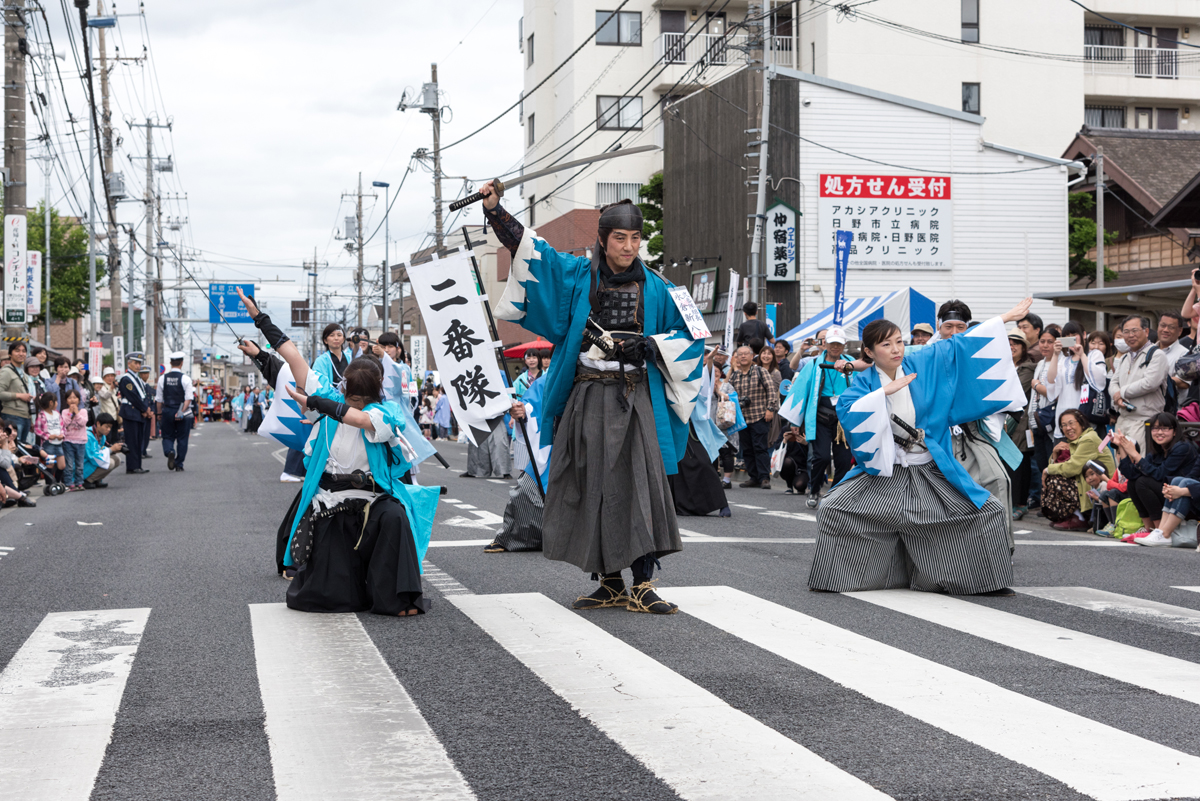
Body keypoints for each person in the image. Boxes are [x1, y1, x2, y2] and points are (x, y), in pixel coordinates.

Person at [484, 184, 704, 615]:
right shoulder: (576, 276)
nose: (629, 246)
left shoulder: (662, 287)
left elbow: (694, 336)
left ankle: (643, 581)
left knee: (642, 485)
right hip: (587, 393)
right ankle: (609, 582)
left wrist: (651, 346)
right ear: (603, 239)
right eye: (620, 238)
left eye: (636, 238)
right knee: (592, 488)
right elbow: (533, 254)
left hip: (637, 396)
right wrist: (496, 212)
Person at [807, 298, 1032, 597]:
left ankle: (983, 580)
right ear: (870, 352)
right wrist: (882, 394)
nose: (896, 349)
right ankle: (842, 578)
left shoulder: (921, 362)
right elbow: (848, 412)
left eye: (899, 342)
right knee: (833, 507)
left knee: (986, 509)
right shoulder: (863, 384)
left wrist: (1006, 317)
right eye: (886, 345)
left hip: (929, 465)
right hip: (885, 474)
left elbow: (956, 346)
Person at [237, 287, 439, 616]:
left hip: (373, 498)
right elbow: (293, 356)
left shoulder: (385, 414)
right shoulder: (330, 398)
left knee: (395, 518)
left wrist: (318, 403)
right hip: (330, 498)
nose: (351, 396)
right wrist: (260, 319)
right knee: (324, 597)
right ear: (343, 385)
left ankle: (398, 597)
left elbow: (359, 418)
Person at [782, 325, 854, 508]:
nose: (835, 347)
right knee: (820, 457)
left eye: (839, 344)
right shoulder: (813, 363)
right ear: (825, 344)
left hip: (843, 420)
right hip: (820, 417)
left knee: (844, 461)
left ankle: (835, 495)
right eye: (832, 343)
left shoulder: (851, 362)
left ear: (844, 344)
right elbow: (799, 392)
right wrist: (794, 421)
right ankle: (814, 489)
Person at [486, 378, 550, 554]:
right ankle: (513, 536)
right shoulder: (551, 377)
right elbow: (530, 405)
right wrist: (523, 410)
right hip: (553, 443)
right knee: (526, 491)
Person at [1112, 412, 1197, 538]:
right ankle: (1149, 528)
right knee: (1133, 482)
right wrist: (1123, 448)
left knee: (1143, 482)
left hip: (1185, 499)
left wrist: (1135, 454)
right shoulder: (1158, 450)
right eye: (1155, 428)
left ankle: (1160, 530)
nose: (1159, 432)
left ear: (1174, 431)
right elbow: (1132, 474)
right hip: (1167, 495)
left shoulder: (1183, 447)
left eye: (1164, 428)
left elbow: (1160, 475)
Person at [1040, 409, 1115, 531]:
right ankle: (1070, 515)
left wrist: (1047, 470)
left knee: (1056, 478)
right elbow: (1061, 465)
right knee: (1052, 476)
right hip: (1089, 485)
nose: (1068, 428)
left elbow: (1072, 468)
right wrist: (1054, 454)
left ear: (1081, 423)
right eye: (1064, 425)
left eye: (1071, 423)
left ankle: (1079, 518)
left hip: (1103, 489)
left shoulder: (1088, 438)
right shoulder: (1074, 442)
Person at [1110, 315, 1168, 454]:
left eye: (1135, 330)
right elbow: (1113, 382)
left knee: (1139, 463)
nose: (1130, 335)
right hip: (1122, 420)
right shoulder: (1125, 356)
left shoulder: (1156, 355)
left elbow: (1150, 383)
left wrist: (1122, 392)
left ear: (1146, 331)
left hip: (1144, 420)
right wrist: (1117, 398)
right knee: (1121, 467)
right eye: (1126, 331)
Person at [728, 344, 779, 490]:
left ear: (752, 356)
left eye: (746, 354)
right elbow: (727, 391)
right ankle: (753, 477)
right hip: (742, 418)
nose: (743, 356)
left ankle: (764, 478)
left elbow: (771, 391)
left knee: (760, 447)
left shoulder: (761, 371)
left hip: (759, 415)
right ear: (736, 358)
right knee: (747, 449)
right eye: (740, 354)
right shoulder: (735, 375)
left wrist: (770, 409)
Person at [1045, 321, 1107, 439]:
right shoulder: (1063, 360)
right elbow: (1051, 381)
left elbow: (1098, 380)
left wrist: (1082, 354)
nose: (1070, 338)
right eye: (1066, 336)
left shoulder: (1094, 354)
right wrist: (1055, 355)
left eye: (1073, 334)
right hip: (1063, 417)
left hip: (1083, 416)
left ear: (1083, 335)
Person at [1027, 324, 1061, 511]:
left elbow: (1054, 393)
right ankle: (1044, 500)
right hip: (1036, 421)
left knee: (1051, 461)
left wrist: (1037, 385)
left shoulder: (1060, 361)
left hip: (1050, 420)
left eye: (1050, 341)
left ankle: (1052, 503)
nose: (1045, 345)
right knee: (1040, 462)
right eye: (1042, 341)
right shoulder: (1040, 363)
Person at [1007, 330, 1037, 520]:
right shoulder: (1003, 365)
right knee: (1006, 462)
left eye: (1016, 343)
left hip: (1020, 422)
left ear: (1024, 347)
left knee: (1021, 462)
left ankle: (1020, 503)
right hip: (1003, 420)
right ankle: (1009, 501)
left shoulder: (1028, 368)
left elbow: (1014, 391)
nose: (1012, 346)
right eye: (1008, 343)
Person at [156, 351, 195, 472]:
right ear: (181, 363)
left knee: (167, 436)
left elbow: (158, 399)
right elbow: (188, 399)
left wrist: (159, 414)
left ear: (170, 363)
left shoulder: (162, 378)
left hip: (167, 410)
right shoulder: (186, 379)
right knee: (183, 439)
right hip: (183, 411)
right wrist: (181, 412)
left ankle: (170, 451)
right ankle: (179, 464)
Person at [118, 353, 151, 474]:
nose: (138, 366)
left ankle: (137, 465)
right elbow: (134, 397)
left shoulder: (137, 379)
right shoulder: (126, 379)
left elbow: (144, 396)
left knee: (138, 439)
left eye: (139, 363)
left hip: (137, 412)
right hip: (131, 412)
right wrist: (144, 409)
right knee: (132, 440)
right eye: (135, 363)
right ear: (129, 363)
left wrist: (145, 408)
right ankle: (132, 466)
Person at [0, 342, 38, 444]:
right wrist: (20, 396)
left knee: (21, 450)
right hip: (11, 416)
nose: (21, 353)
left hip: (25, 417)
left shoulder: (23, 374)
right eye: (17, 351)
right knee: (13, 449)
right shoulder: (6, 371)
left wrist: (30, 420)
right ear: (10, 354)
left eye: (23, 351)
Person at [83, 412, 124, 488]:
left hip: (91, 462)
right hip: (85, 464)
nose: (108, 429)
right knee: (110, 462)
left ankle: (97, 479)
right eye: (106, 426)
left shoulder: (102, 435)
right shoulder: (88, 435)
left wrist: (114, 450)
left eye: (110, 427)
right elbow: (92, 456)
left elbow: (101, 450)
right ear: (98, 424)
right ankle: (87, 480)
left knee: (117, 459)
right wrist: (111, 449)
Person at [33, 392, 66, 481]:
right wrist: (47, 436)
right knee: (50, 464)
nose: (57, 403)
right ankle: (49, 484)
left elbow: (62, 426)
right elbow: (37, 430)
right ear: (51, 402)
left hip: (58, 443)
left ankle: (57, 482)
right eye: (56, 401)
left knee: (62, 465)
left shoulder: (57, 414)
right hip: (49, 444)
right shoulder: (41, 415)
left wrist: (62, 435)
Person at [60, 390, 89, 491]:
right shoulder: (64, 412)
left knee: (80, 464)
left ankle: (79, 482)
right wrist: (70, 413)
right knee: (69, 464)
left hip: (80, 441)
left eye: (74, 397)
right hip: (68, 441)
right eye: (69, 398)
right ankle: (69, 483)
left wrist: (76, 413)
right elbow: (64, 424)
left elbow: (83, 423)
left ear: (79, 400)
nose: (72, 400)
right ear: (66, 400)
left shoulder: (83, 411)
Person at [138, 364, 156, 455]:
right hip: (142, 413)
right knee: (141, 433)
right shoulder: (139, 385)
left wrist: (152, 410)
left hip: (149, 413)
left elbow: (151, 400)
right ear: (140, 374)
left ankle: (144, 450)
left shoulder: (148, 386)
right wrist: (145, 410)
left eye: (147, 373)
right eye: (143, 373)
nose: (145, 375)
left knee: (146, 433)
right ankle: (140, 451)